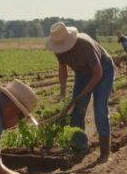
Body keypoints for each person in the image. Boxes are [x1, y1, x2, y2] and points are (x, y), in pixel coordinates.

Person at [47, 22, 115, 164]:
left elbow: (98, 73)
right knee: (77, 110)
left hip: (103, 69)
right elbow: (62, 68)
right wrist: (63, 91)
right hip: (82, 72)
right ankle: (80, 146)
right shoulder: (58, 48)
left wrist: (82, 94)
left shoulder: (84, 45)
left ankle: (105, 153)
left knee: (100, 109)